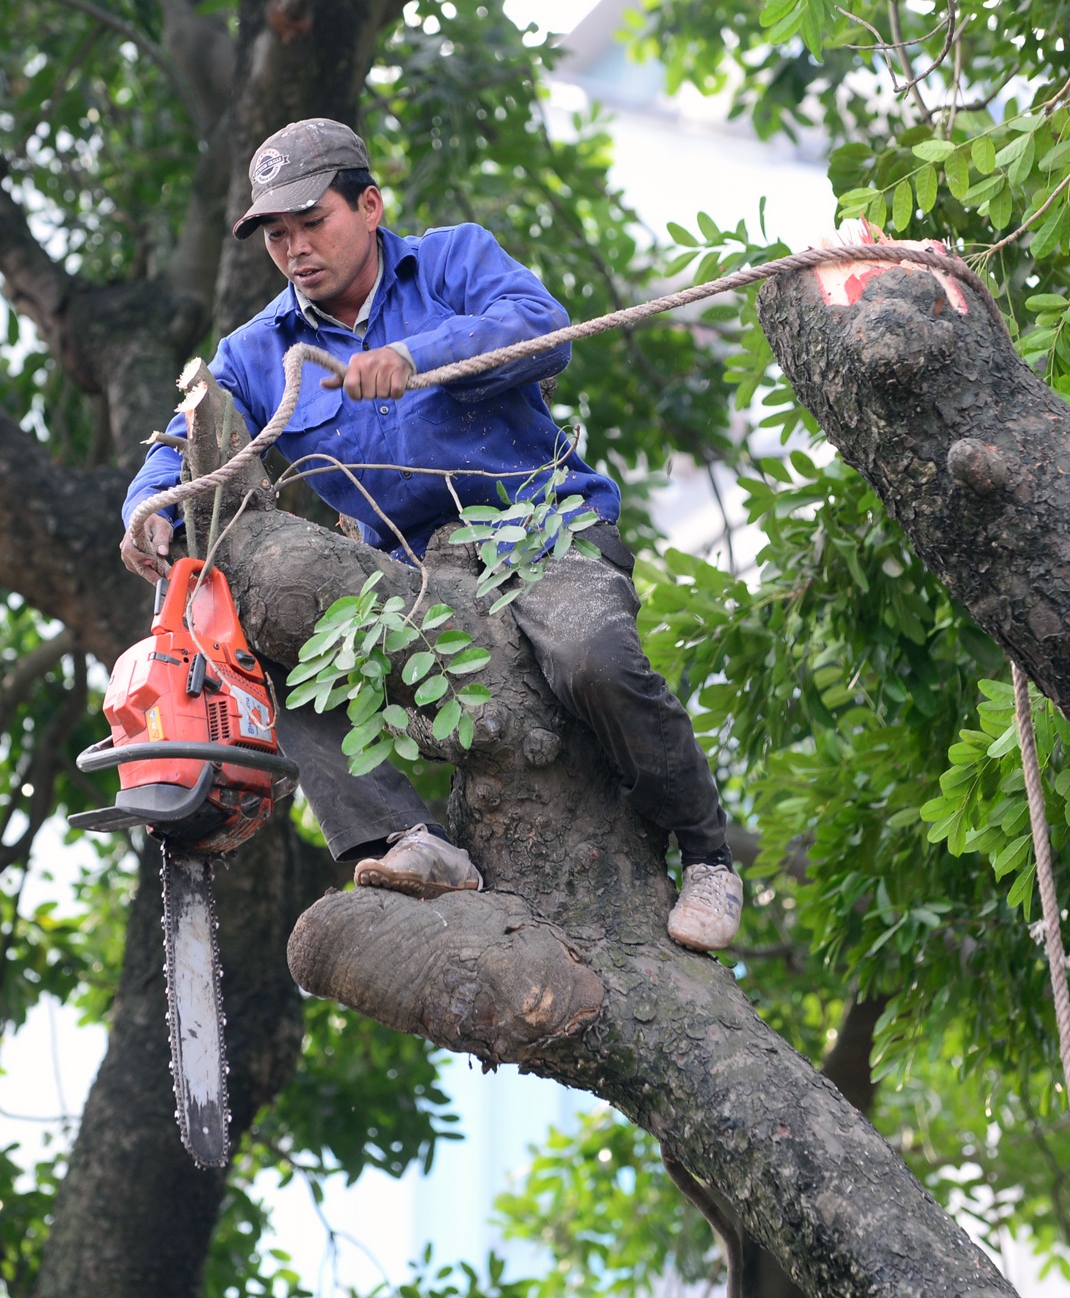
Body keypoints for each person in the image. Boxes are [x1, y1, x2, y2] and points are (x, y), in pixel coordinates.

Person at [119, 118, 742, 951]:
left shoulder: (453, 260)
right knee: (265, 640)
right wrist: (150, 508)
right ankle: (408, 841)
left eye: (313, 223)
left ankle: (705, 853)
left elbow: (539, 324)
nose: (296, 248)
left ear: (369, 206)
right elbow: (182, 443)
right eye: (278, 234)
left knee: (593, 655)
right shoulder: (257, 351)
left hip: (540, 530)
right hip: (408, 576)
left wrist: (420, 351)